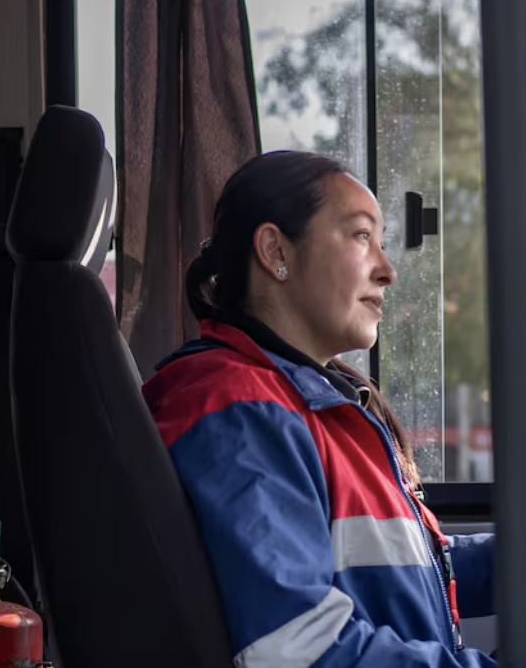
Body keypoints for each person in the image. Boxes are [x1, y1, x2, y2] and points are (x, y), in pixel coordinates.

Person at [142, 151, 496, 667]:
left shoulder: (303, 403)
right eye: (360, 236)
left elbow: (405, 566)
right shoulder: (237, 409)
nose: (388, 270)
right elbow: (298, 649)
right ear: (275, 250)